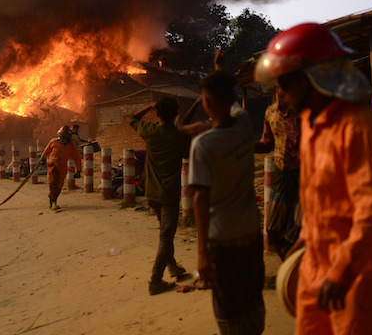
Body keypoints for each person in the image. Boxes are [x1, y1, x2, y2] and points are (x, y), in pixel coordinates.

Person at [255, 22, 372, 335]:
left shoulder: (359, 127)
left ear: (313, 76)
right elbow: (316, 198)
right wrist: (304, 242)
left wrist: (342, 271)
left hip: (359, 267)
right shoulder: (309, 122)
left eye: (284, 81)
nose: (278, 91)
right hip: (316, 259)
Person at [188, 71, 265, 334]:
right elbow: (232, 104)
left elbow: (200, 199)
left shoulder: (203, 145)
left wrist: (201, 253)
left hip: (222, 238)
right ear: (233, 97)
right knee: (252, 295)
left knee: (228, 306)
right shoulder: (244, 124)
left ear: (206, 103)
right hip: (251, 230)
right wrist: (220, 70)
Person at [129, 97, 193, 295]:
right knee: (166, 236)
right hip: (169, 194)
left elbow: (131, 118)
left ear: (157, 114)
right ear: (175, 114)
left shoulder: (151, 131)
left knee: (165, 232)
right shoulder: (178, 136)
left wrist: (149, 106)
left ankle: (173, 266)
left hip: (151, 192)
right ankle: (155, 281)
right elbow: (187, 151)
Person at [254, 88, 301, 260]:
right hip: (282, 175)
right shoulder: (271, 112)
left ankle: (296, 273)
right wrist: (245, 145)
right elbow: (267, 143)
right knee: (273, 231)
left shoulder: (303, 111)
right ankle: (288, 268)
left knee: (299, 229)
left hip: (303, 175)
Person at [40, 126, 81, 210]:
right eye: (63, 135)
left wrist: (79, 170)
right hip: (52, 165)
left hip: (62, 167)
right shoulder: (53, 141)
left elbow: (77, 158)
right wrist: (42, 158)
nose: (64, 137)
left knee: (59, 185)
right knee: (53, 182)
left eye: (66, 135)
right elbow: (46, 151)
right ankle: (53, 201)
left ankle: (52, 198)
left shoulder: (71, 146)